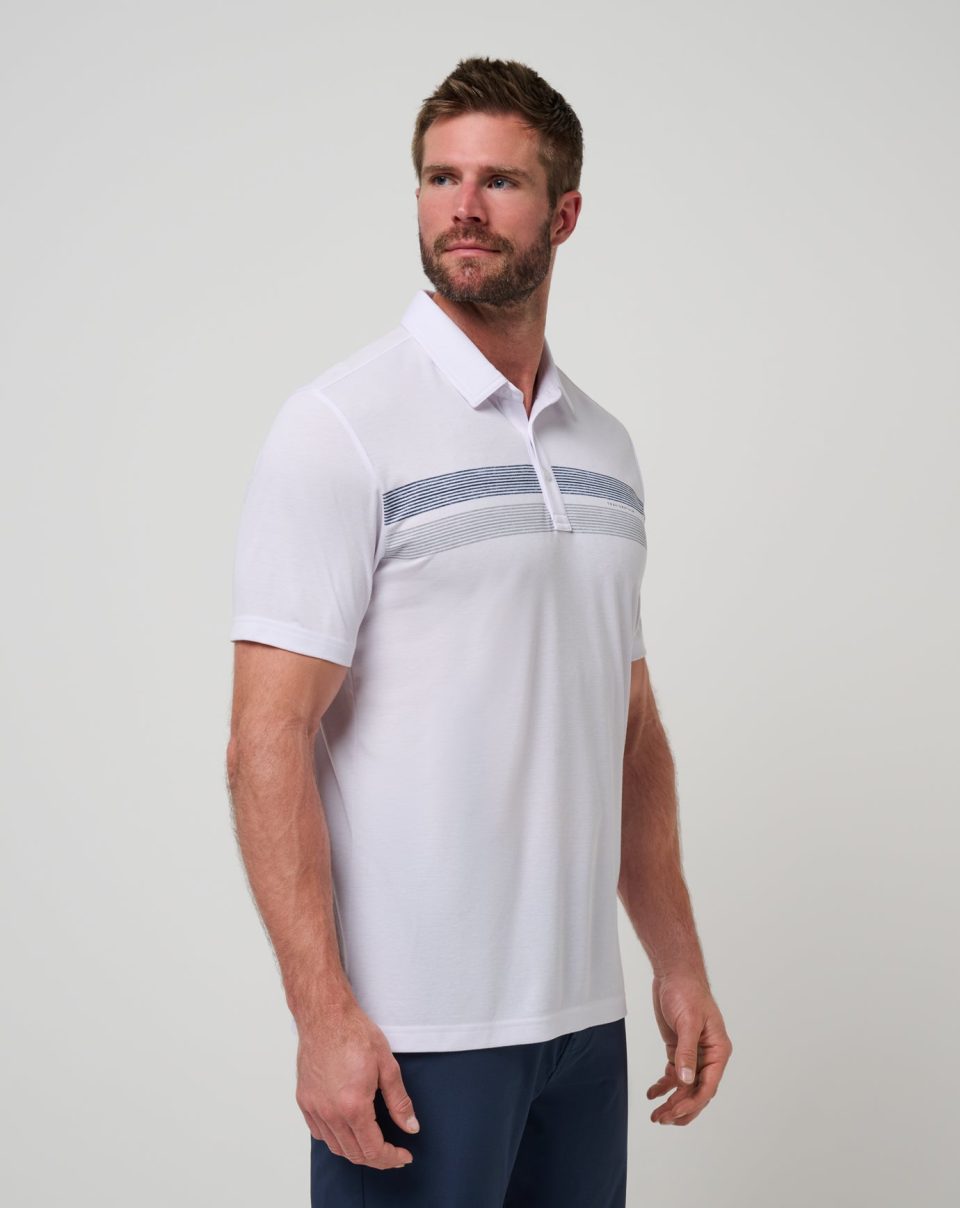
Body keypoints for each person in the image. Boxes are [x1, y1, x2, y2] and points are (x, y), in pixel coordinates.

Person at [226, 55, 732, 1207]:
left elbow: (628, 728)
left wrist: (677, 959)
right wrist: (322, 1014)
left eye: (498, 181)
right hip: (417, 1033)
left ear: (564, 213)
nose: (462, 206)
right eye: (439, 178)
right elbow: (265, 741)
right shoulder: (339, 427)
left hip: (581, 1027)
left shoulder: (605, 448)